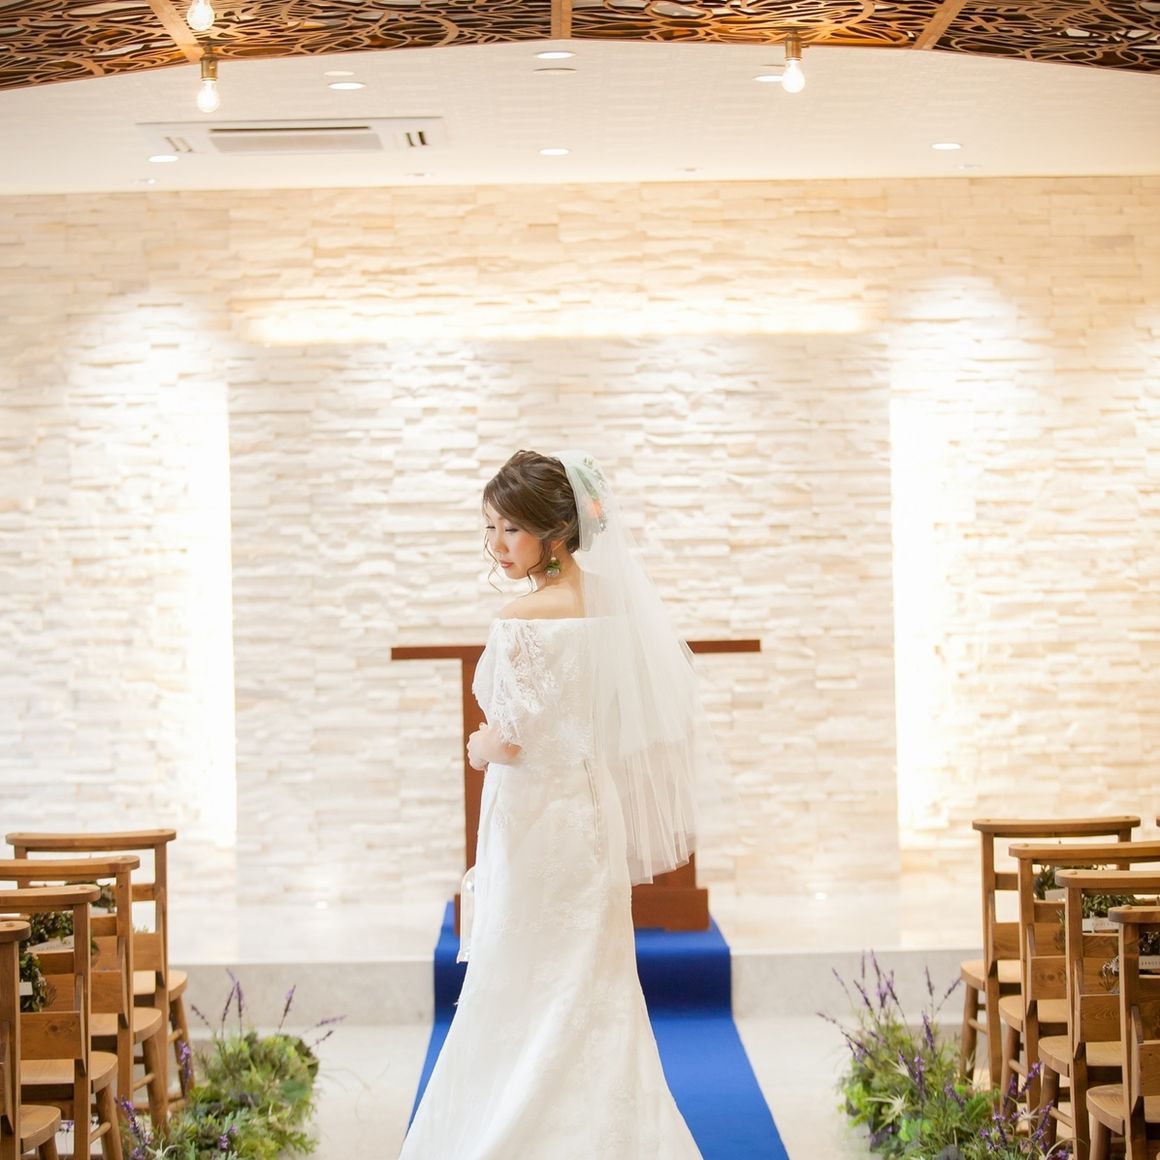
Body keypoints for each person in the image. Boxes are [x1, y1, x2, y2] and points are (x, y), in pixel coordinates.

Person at [398, 450, 705, 1159]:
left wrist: (478, 747)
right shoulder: (615, 604)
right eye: (490, 528)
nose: (497, 545)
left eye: (511, 529)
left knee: (522, 975)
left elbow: (510, 740)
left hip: (534, 822)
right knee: (594, 977)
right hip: (591, 811)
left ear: (557, 531)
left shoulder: (520, 619)